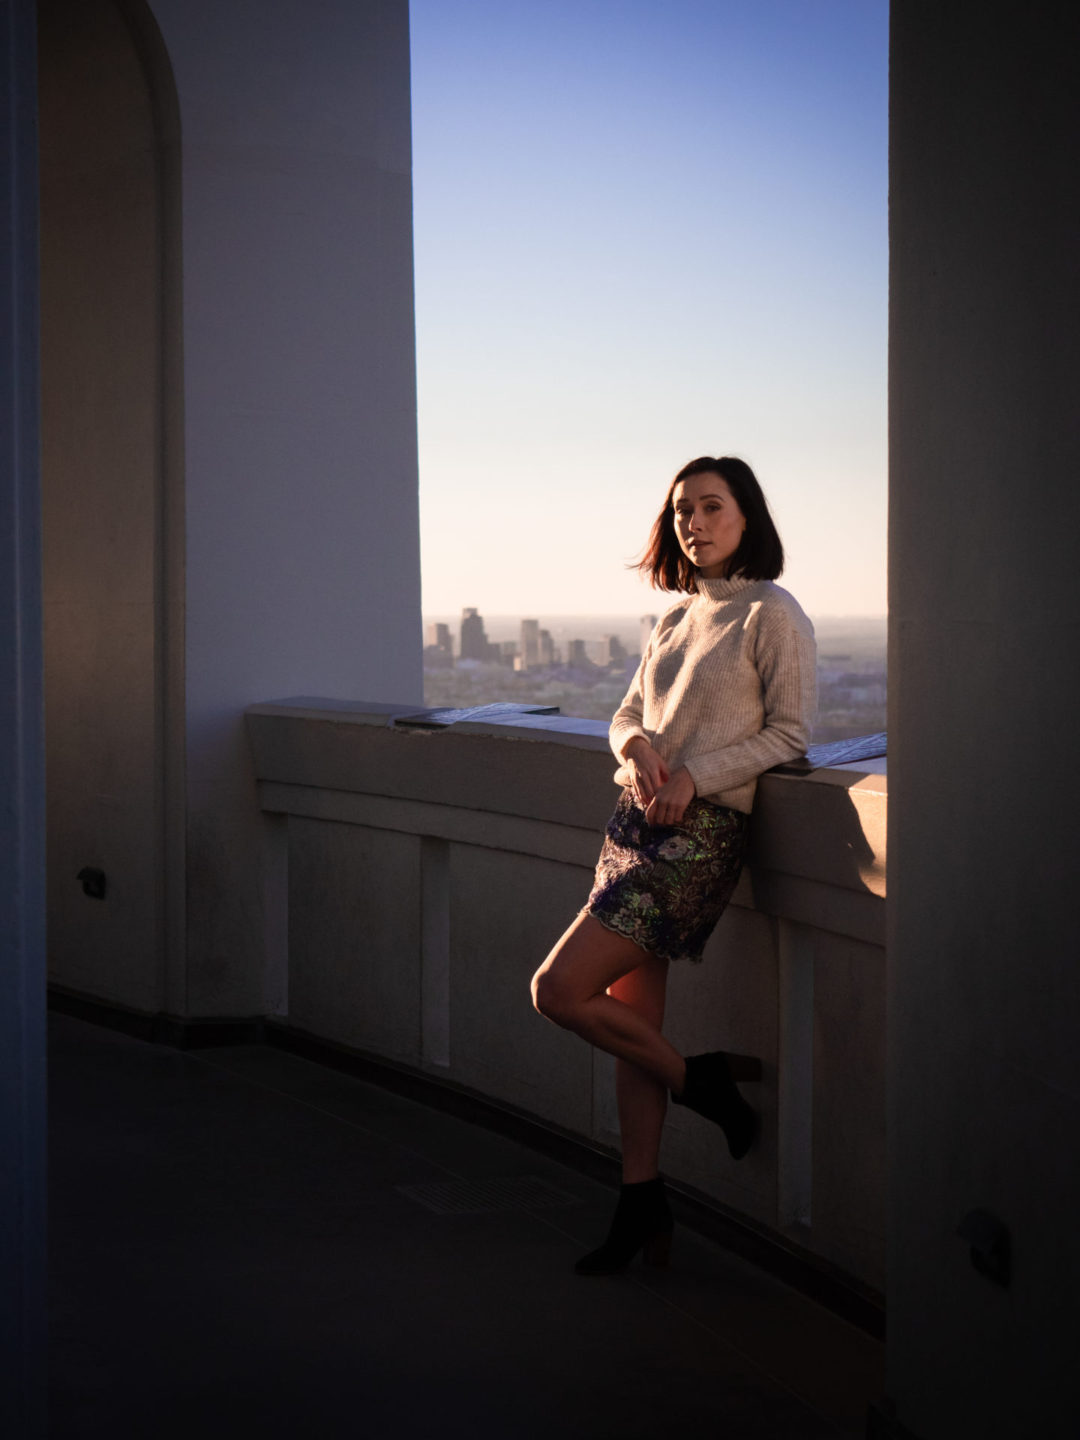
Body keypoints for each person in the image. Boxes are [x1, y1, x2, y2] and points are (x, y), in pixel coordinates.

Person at [530, 455, 816, 1275]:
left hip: (699, 843)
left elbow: (791, 735)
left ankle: (702, 1084)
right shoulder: (673, 617)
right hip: (632, 831)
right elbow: (625, 715)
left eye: (712, 507)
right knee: (632, 1029)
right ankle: (642, 1203)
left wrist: (695, 775)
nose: (695, 523)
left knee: (556, 991)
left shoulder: (772, 613)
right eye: (683, 510)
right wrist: (637, 747)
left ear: (748, 517)